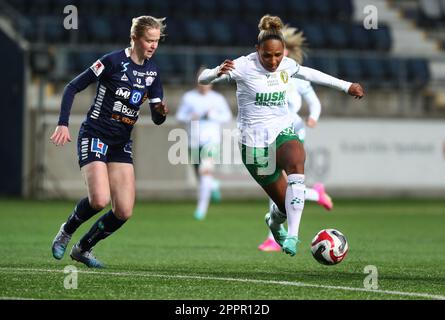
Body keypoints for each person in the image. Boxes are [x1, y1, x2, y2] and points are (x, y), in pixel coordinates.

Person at [198, 15, 363, 257]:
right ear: (257, 50)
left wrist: (346, 85)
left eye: (278, 55)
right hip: (253, 145)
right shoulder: (243, 66)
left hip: (282, 131)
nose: (273, 61)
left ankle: (294, 235)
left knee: (297, 161)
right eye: (267, 56)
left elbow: (312, 74)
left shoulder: (286, 65)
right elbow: (201, 78)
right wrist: (215, 72)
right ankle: (274, 224)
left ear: (283, 51)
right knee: (283, 207)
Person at [50, 16, 169, 268]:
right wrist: (62, 122)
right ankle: (66, 230)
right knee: (99, 200)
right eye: (149, 40)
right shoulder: (112, 61)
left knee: (124, 211)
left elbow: (157, 118)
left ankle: (83, 249)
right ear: (134, 37)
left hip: (120, 142)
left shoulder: (153, 72)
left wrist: (161, 113)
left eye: (157, 41)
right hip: (95, 134)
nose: (153, 45)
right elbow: (72, 87)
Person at [258, 25, 333, 252]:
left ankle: (274, 237)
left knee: (280, 183)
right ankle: (315, 193)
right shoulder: (264, 75)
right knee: (277, 184)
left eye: (280, 52)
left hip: (293, 133)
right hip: (270, 133)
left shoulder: (296, 76)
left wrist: (313, 116)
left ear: (286, 52)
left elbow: (315, 101)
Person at [176, 69, 232, 220]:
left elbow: (227, 116)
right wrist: (191, 117)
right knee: (200, 176)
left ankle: (201, 209)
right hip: (193, 141)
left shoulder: (217, 99)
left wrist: (213, 115)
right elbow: (179, 116)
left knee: (204, 171)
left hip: (211, 141)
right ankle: (213, 185)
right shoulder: (189, 97)